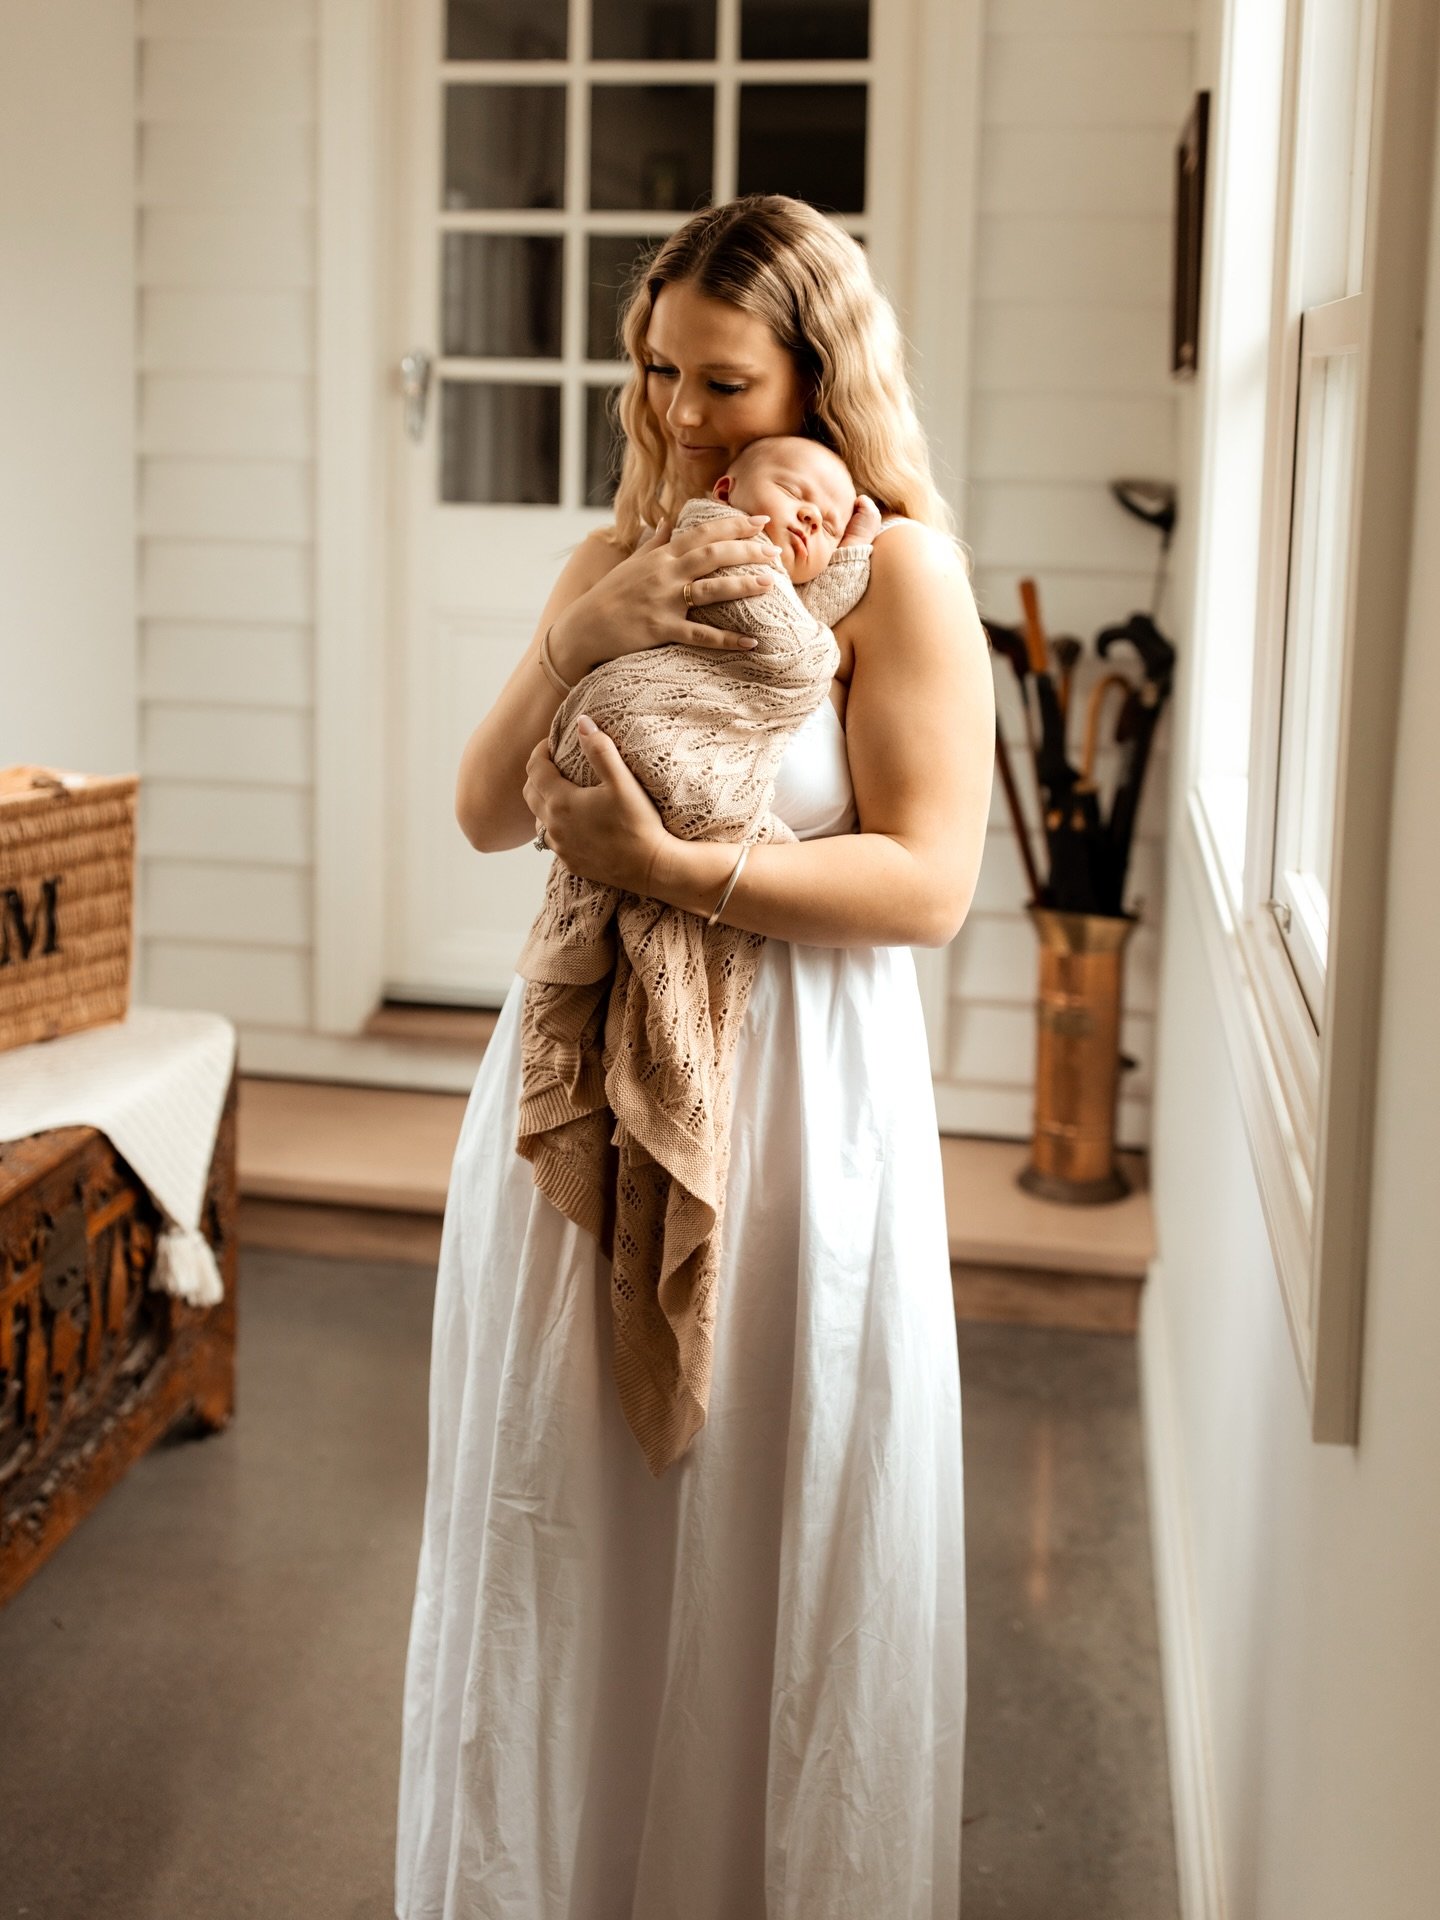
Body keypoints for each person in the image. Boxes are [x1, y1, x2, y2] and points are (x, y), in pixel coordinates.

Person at [395, 193, 996, 1920]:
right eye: (659, 372)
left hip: (799, 1092)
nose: (679, 414)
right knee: (568, 1494)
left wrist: (673, 866)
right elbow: (482, 812)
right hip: (590, 1076)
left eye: (724, 383)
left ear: (821, 378)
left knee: (767, 1488)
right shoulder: (614, 556)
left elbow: (930, 883)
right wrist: (590, 627)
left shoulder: (893, 572)